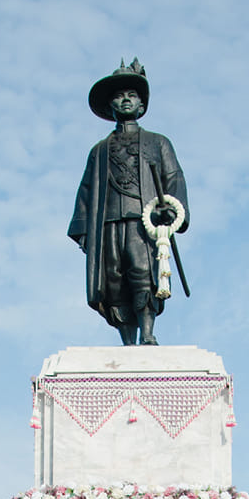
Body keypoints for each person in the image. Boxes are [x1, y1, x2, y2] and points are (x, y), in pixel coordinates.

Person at [68, 59, 190, 346]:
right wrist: (84, 229)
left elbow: (173, 177)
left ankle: (147, 332)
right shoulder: (99, 151)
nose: (125, 100)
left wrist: (170, 208)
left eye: (131, 95)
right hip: (108, 221)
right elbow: (86, 189)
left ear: (142, 105)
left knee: (143, 273)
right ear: (111, 106)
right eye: (119, 96)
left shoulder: (158, 143)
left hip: (143, 220)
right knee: (114, 278)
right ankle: (127, 341)